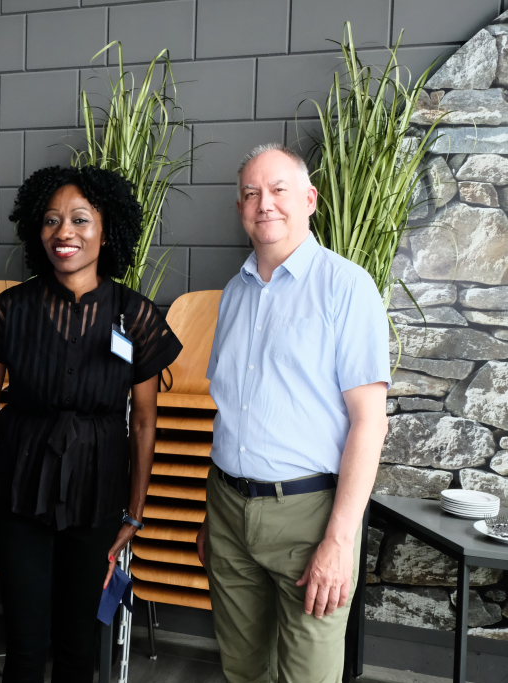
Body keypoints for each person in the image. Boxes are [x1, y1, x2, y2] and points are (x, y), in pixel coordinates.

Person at [0, 166, 182, 683]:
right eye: (51, 220)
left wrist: (134, 513)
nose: (64, 232)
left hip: (97, 491)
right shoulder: (9, 311)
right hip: (19, 489)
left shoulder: (136, 316)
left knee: (78, 644)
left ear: (107, 232)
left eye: (80, 219)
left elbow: (144, 422)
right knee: (24, 643)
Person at [196, 143, 391, 683]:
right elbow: (231, 410)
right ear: (240, 207)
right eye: (251, 193)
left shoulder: (346, 287)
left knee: (308, 675)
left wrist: (339, 540)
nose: (265, 203)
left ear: (309, 199)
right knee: (242, 669)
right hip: (228, 508)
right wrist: (214, 517)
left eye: (279, 189)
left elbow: (370, 422)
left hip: (310, 516)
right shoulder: (234, 293)